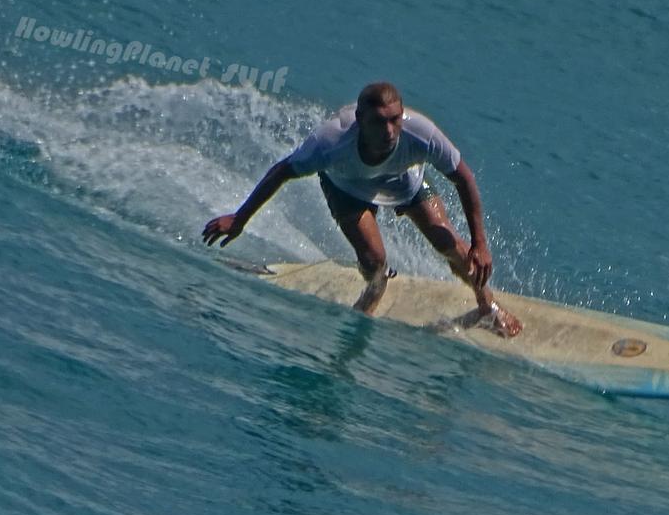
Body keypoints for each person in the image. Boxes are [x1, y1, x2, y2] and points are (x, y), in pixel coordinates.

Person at [202, 82, 522, 338]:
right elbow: (280, 172)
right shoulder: (330, 142)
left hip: (404, 184)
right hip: (348, 188)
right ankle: (367, 304)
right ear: (359, 119)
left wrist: (480, 243)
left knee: (450, 244)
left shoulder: (421, 134)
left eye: (395, 120)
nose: (389, 131)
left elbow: (463, 178)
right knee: (374, 262)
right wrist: (239, 219)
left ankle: (486, 307)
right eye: (379, 122)